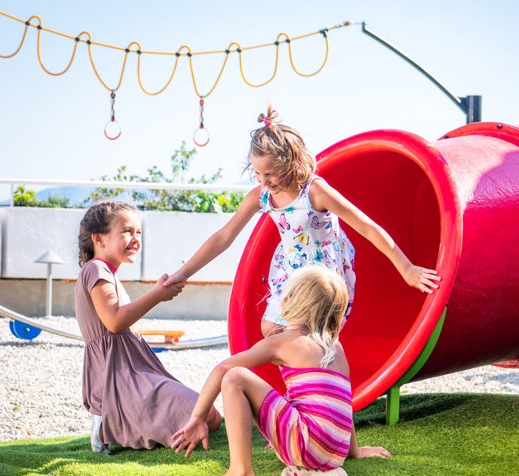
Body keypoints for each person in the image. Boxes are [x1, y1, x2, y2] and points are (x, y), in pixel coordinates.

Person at [164, 104, 440, 336]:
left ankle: (321, 386)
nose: (264, 181)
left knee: (302, 333)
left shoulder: (315, 191)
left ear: (292, 163)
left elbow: (366, 227)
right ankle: (302, 388)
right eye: (258, 174)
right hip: (290, 270)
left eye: (270, 174)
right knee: (270, 328)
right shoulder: (260, 196)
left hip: (323, 273)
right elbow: (223, 237)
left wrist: (407, 269)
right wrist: (183, 273)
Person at [171, 265, 391, 476]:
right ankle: (316, 467)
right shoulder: (336, 347)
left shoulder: (283, 342)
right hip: (334, 454)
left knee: (235, 377)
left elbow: (223, 368)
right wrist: (355, 452)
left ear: (289, 299)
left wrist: (198, 418)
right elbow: (341, 404)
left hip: (307, 447)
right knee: (295, 397)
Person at [75, 200, 221, 454]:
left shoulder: (105, 272)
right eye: (126, 231)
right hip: (121, 376)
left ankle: (121, 422)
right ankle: (107, 424)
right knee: (205, 414)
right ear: (98, 239)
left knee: (212, 417)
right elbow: (115, 321)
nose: (135, 239)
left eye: (138, 233)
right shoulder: (96, 269)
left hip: (132, 369)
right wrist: (157, 295)